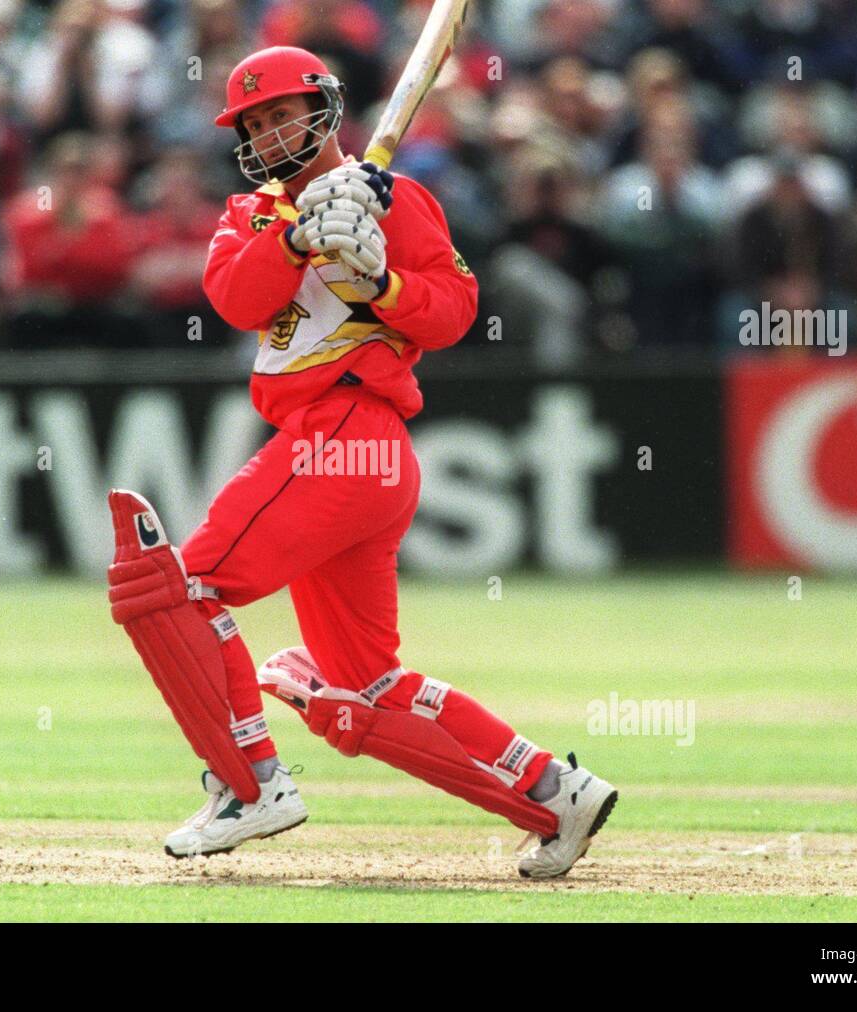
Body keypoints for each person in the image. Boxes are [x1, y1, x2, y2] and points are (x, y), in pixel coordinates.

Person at [105, 46, 618, 880]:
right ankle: (554, 793)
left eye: (281, 114)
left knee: (180, 591)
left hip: (347, 431)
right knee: (358, 695)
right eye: (255, 124)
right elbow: (236, 297)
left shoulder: (400, 198)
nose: (270, 134)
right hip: (349, 450)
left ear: (324, 108)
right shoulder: (251, 215)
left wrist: (379, 282)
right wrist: (305, 235)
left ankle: (250, 785)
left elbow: (453, 311)